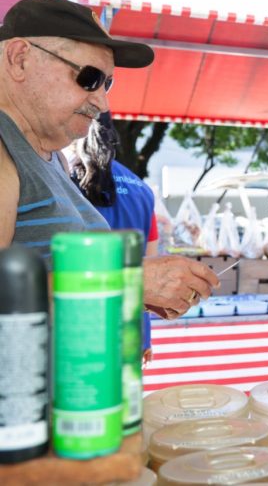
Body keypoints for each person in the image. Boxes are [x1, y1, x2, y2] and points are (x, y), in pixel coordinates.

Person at [0, 0, 217, 318]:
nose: (102, 102)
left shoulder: (50, 157)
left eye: (108, 83)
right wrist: (127, 282)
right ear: (19, 59)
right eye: (89, 78)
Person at [67, 112, 161, 363]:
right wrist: (145, 337)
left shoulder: (65, 182)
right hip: (132, 328)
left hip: (82, 327)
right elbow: (150, 268)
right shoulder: (142, 189)